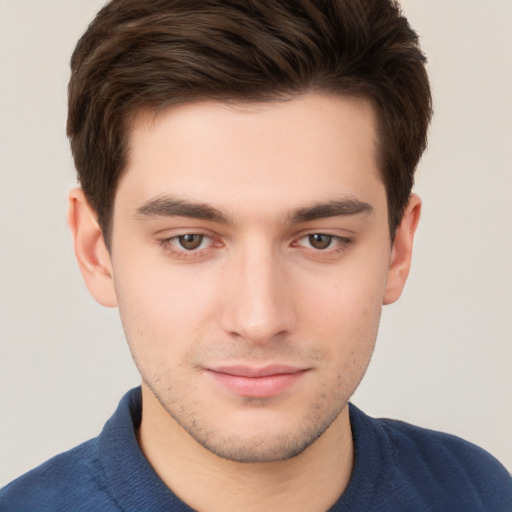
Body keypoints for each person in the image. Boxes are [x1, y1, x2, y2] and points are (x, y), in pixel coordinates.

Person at [1, 0, 511, 510]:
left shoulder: (482, 494)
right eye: (190, 240)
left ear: (397, 249)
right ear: (97, 251)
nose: (259, 319)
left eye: (320, 240)